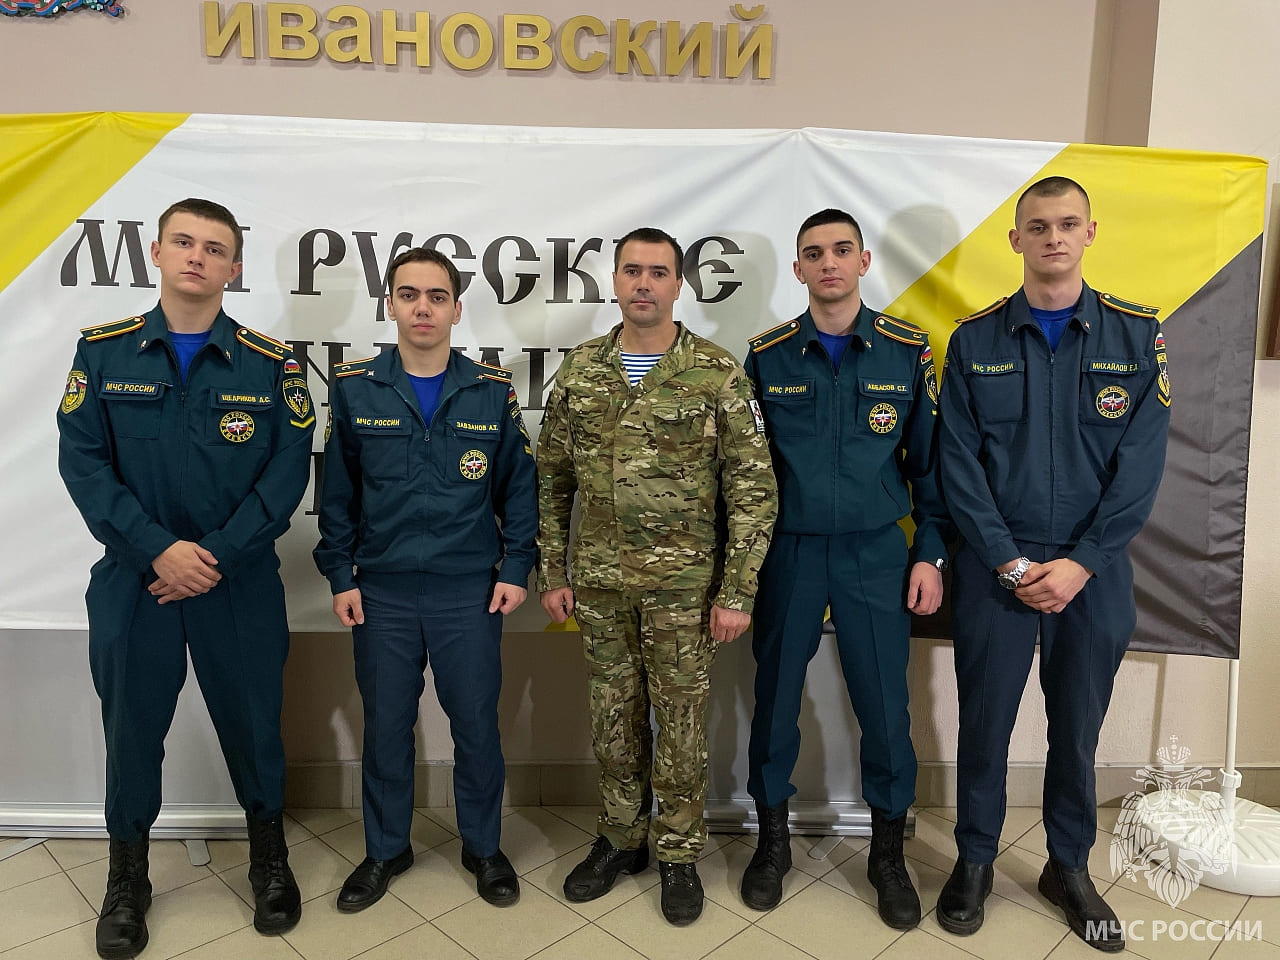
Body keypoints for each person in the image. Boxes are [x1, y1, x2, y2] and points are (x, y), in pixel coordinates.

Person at [57, 198, 312, 959]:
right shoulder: (103, 354)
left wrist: (213, 557)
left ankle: (269, 859)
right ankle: (127, 879)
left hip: (238, 582)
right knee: (131, 731)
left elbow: (286, 475)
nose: (197, 256)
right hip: (136, 582)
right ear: (157, 254)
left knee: (255, 725)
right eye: (183, 242)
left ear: (235, 267)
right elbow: (84, 465)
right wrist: (157, 551)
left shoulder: (273, 365)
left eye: (214, 248)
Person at [935, 176, 1170, 952]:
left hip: (1092, 574)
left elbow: (1141, 466)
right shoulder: (976, 341)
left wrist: (1083, 562)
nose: (1054, 237)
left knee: (1077, 729)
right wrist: (1006, 561)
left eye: (1068, 224)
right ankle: (974, 858)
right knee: (985, 724)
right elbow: (958, 463)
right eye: (1037, 226)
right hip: (994, 569)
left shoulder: (1136, 337)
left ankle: (1067, 867)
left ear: (1090, 232)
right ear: (1016, 240)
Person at [537, 227, 777, 925]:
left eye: (659, 272)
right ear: (614, 281)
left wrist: (737, 590)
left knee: (679, 722)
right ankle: (621, 838)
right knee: (612, 716)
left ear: (678, 285)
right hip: (600, 584)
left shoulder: (715, 372)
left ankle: (677, 852)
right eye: (632, 271)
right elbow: (550, 479)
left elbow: (753, 488)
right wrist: (553, 570)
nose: (644, 283)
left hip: (684, 589)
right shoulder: (581, 371)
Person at [740, 209, 948, 927]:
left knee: (886, 708)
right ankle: (771, 844)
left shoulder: (906, 351)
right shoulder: (766, 357)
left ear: (862, 262)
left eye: (841, 250)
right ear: (798, 268)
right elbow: (745, 473)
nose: (827, 263)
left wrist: (929, 553)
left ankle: (887, 855)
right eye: (813, 253)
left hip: (874, 551)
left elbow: (931, 467)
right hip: (789, 551)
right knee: (774, 701)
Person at [314, 247, 537, 911]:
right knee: (385, 727)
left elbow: (519, 488)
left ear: (456, 310)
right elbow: (337, 494)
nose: (422, 308)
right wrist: (340, 574)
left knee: (475, 726)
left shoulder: (490, 391)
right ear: (390, 305)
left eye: (437, 296)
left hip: (468, 592)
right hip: (380, 592)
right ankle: (385, 849)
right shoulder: (356, 387)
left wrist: (516, 566)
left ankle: (483, 847)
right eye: (409, 294)